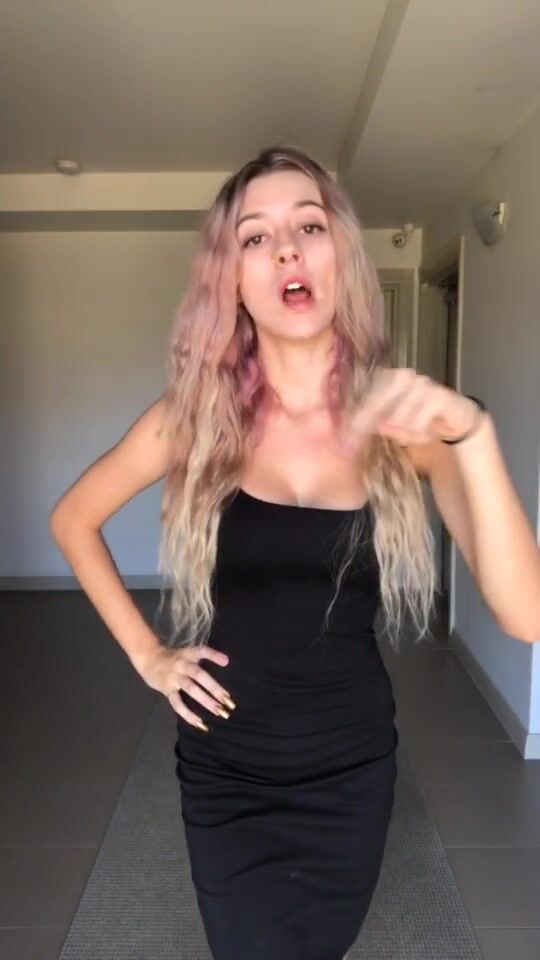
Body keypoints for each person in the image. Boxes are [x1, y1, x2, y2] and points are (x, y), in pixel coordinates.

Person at [49, 143, 538, 960]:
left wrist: (473, 433)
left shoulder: (405, 426)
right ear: (234, 281)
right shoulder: (195, 419)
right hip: (228, 763)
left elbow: (527, 616)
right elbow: (73, 518)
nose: (286, 249)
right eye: (255, 237)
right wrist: (148, 655)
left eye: (308, 226)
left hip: (350, 769)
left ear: (340, 255)